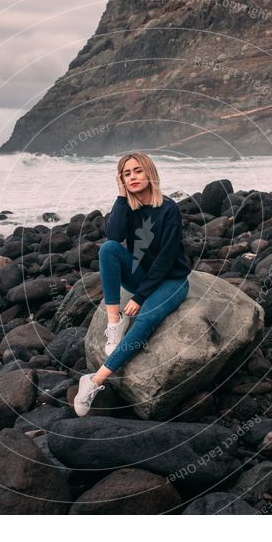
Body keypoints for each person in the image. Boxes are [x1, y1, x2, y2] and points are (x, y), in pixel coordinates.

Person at [73, 151, 192, 416]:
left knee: (146, 318)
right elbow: (113, 237)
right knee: (108, 250)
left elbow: (166, 259)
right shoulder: (128, 205)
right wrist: (120, 196)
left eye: (137, 171)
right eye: (126, 174)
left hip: (172, 280)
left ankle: (94, 381)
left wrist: (139, 297)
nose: (133, 177)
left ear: (149, 172)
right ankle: (114, 322)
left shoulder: (169, 209)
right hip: (141, 274)